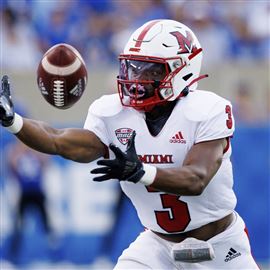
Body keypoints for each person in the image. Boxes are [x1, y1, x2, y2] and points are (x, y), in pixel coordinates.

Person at [0, 19, 259, 269]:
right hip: (158, 244)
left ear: (183, 70)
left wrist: (141, 172)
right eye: (134, 67)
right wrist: (14, 121)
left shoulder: (207, 109)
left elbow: (196, 179)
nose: (137, 77)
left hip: (220, 244)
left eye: (151, 70)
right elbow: (59, 141)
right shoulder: (112, 112)